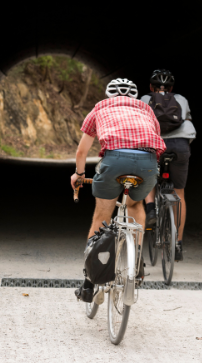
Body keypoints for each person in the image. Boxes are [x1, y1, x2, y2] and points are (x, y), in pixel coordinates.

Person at [70, 78, 166, 302]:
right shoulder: (146, 109)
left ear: (108, 95)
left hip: (115, 160)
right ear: (133, 97)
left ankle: (88, 283)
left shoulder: (100, 107)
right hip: (148, 163)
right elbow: (156, 138)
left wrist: (79, 175)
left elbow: (82, 152)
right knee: (135, 204)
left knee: (102, 215)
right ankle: (137, 261)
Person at [140, 69, 196, 262]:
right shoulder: (181, 99)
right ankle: (177, 243)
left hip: (154, 144)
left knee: (149, 179)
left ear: (150, 87)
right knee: (179, 193)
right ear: (172, 88)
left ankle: (150, 209)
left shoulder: (145, 99)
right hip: (179, 145)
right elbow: (186, 120)